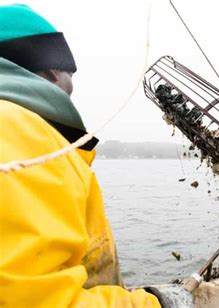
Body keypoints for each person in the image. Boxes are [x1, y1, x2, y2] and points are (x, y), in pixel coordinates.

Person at [0, 4, 161, 306]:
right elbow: (33, 300)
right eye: (69, 73)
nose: (72, 85)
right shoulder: (17, 127)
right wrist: (154, 304)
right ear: (51, 69)